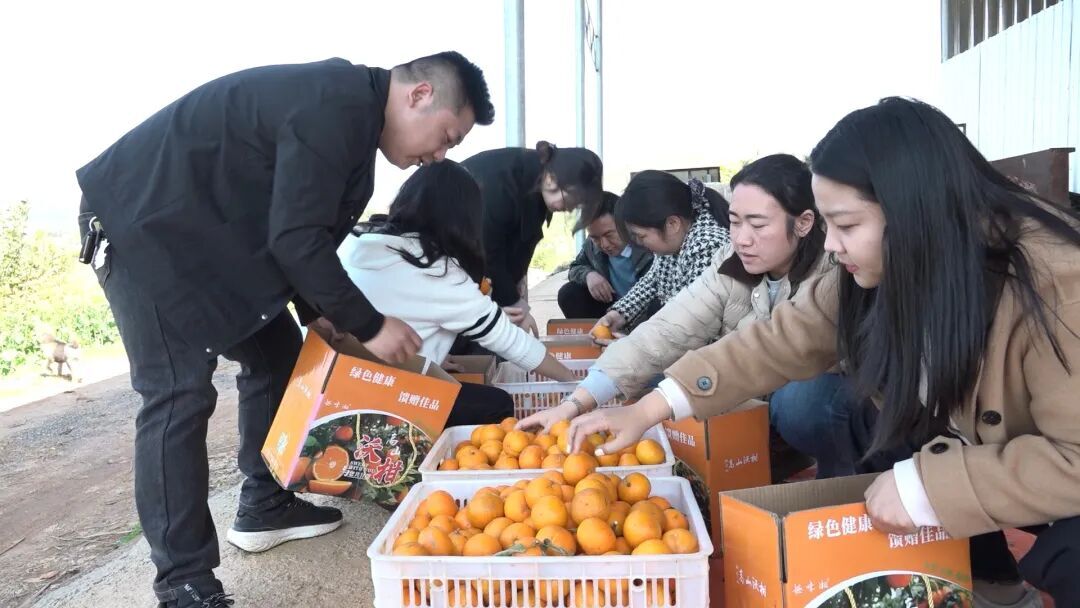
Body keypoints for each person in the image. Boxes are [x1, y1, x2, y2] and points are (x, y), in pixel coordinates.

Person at [564, 98, 1080, 608]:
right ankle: (989, 578)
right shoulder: (873, 268)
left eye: (847, 225)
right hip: (985, 448)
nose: (833, 244)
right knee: (882, 419)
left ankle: (997, 574)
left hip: (1057, 481)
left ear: (916, 212)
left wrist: (929, 486)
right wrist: (648, 408)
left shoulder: (1056, 286)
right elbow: (779, 338)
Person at [75, 52, 494, 608]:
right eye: (446, 137)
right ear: (419, 95)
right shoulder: (336, 104)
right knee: (177, 394)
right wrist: (369, 325)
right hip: (142, 230)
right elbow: (296, 239)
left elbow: (297, 228)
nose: (438, 156)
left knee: (277, 357)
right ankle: (183, 583)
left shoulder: (351, 119)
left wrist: (315, 310)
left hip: (203, 238)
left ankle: (264, 504)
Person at [521, 154, 839, 477]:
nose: (742, 238)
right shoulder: (731, 262)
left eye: (757, 225)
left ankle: (826, 466)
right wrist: (575, 403)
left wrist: (649, 409)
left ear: (804, 223)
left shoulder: (832, 272)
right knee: (658, 375)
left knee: (801, 402)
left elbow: (768, 349)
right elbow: (669, 327)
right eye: (735, 221)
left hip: (796, 397)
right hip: (744, 390)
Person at [338, 161, 578, 425]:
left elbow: (400, 310)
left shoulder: (358, 240)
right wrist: (575, 384)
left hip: (339, 385)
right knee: (496, 404)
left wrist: (430, 359)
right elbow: (513, 343)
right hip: (386, 401)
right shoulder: (435, 270)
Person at [461, 141, 604, 336]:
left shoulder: (537, 181)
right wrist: (513, 301)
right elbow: (488, 251)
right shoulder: (500, 185)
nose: (570, 208)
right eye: (572, 198)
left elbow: (526, 240)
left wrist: (518, 280)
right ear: (553, 180)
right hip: (449, 256)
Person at [591, 171, 731, 338]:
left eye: (641, 236)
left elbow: (693, 323)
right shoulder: (676, 240)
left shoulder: (708, 246)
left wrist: (635, 345)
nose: (639, 243)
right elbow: (651, 281)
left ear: (672, 224)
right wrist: (618, 314)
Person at [557, 191, 654, 320]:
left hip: (645, 313)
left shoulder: (649, 245)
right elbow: (575, 267)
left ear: (625, 224)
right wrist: (589, 275)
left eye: (609, 235)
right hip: (610, 309)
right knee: (569, 293)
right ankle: (594, 332)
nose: (604, 244)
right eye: (595, 238)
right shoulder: (591, 246)